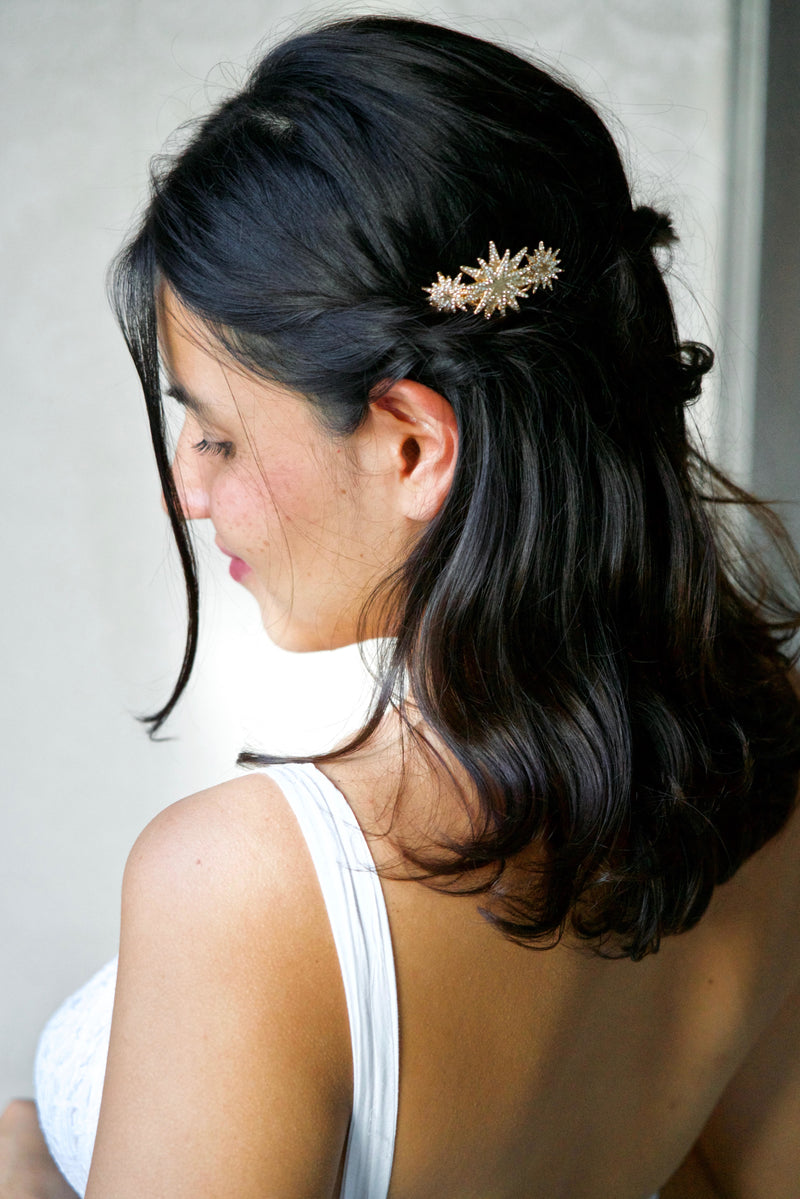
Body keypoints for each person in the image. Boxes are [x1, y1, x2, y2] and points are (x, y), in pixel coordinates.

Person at [2, 13, 799, 1198]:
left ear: (414, 444)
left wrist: (26, 1165)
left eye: (217, 433)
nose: (186, 488)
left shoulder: (247, 885)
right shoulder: (758, 764)